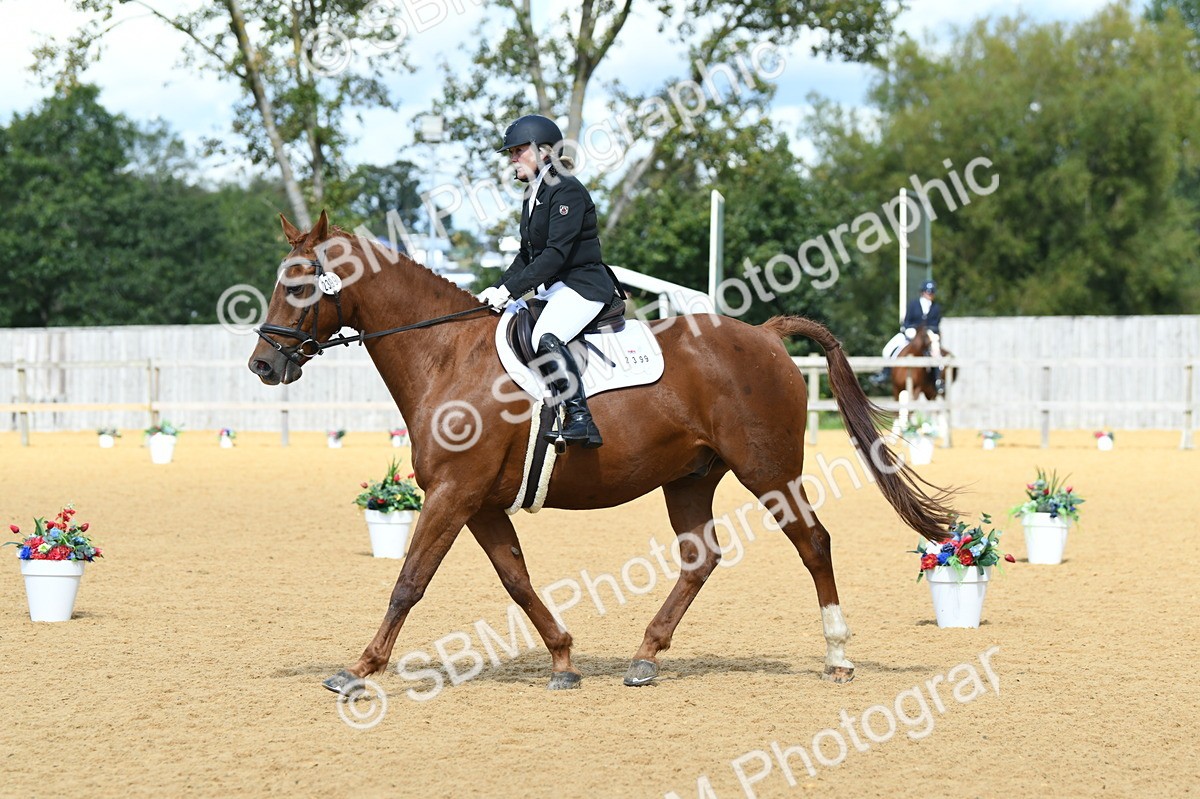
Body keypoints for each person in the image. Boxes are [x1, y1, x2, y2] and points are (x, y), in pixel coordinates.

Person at [476, 114, 619, 448]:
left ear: (543, 151)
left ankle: (581, 419)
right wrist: (497, 288)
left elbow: (555, 254)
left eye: (518, 150)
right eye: (510, 152)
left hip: (584, 286)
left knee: (545, 335)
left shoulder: (566, 188)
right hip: (556, 288)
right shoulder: (533, 193)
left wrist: (511, 291)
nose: (512, 158)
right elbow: (527, 255)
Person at [871, 280, 945, 389]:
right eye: (927, 292)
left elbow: (936, 324)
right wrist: (909, 329)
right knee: (887, 349)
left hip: (928, 335)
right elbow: (907, 321)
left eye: (931, 292)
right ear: (923, 292)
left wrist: (930, 331)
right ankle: (885, 373)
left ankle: (937, 380)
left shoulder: (936, 308)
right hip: (911, 332)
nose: (929, 294)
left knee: (937, 354)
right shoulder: (913, 304)